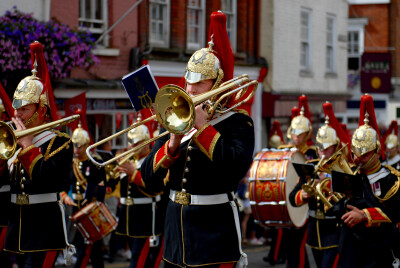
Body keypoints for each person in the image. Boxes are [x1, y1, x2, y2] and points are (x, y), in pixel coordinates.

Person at [141, 11, 254, 268]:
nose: (190, 89)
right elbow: (149, 178)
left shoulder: (238, 121)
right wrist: (170, 145)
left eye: (199, 83)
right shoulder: (176, 118)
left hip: (213, 233)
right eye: (189, 81)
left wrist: (203, 128)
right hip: (174, 234)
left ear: (217, 83)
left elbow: (236, 168)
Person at [1, 41, 74, 267]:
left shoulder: (59, 142)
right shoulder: (10, 138)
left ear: (41, 110)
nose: (17, 115)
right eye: (16, 109)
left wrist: (28, 147)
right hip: (16, 227)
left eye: (25, 109)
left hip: (44, 229)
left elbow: (51, 180)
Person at [333, 94, 400, 267]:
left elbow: (394, 214)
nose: (357, 158)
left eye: (365, 154)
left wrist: (364, 215)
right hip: (350, 251)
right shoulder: (350, 174)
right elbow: (336, 209)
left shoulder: (392, 179)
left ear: (377, 151)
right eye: (355, 153)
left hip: (378, 252)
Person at [289, 101, 350, 268]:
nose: (323, 152)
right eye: (320, 148)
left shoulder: (343, 171)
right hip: (314, 232)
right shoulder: (311, 169)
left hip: (334, 231)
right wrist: (304, 194)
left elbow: (351, 202)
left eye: (327, 148)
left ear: (335, 147)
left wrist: (332, 191)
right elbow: (292, 198)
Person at [115, 123, 166, 268]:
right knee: (140, 259)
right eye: (131, 143)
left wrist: (134, 174)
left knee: (138, 261)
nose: (132, 147)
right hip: (129, 218)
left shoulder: (152, 160)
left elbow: (157, 188)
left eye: (136, 143)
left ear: (146, 142)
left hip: (146, 218)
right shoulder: (131, 161)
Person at [63, 122, 107, 268]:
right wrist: (65, 196)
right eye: (75, 145)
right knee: (88, 249)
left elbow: (101, 190)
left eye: (80, 145)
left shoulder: (95, 163)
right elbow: (64, 184)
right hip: (76, 208)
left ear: (86, 144)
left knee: (89, 249)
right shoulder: (71, 163)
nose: (76, 149)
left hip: (90, 210)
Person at [282, 95, 318, 268]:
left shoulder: (313, 154)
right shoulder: (285, 151)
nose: (296, 137)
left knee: (299, 245)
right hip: (287, 203)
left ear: (307, 134)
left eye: (300, 133)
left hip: (305, 204)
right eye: (294, 133)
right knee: (290, 246)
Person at [263, 120, 287, 265]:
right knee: (275, 228)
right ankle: (276, 254)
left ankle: (276, 255)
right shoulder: (271, 157)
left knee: (279, 229)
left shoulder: (282, 158)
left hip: (280, 195)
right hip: (271, 193)